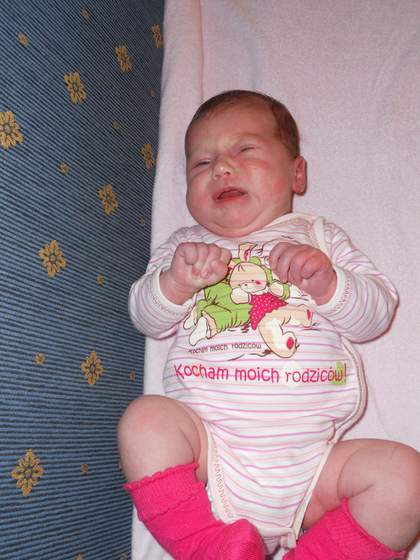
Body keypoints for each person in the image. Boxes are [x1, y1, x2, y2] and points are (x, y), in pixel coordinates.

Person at [118, 90, 420, 559]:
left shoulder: (319, 237)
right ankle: (206, 545)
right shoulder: (185, 246)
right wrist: (175, 283)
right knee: (144, 421)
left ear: (296, 173)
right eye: (201, 163)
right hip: (207, 456)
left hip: (314, 471)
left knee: (406, 478)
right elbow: (146, 317)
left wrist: (329, 283)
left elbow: (375, 314)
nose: (222, 168)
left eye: (245, 150)